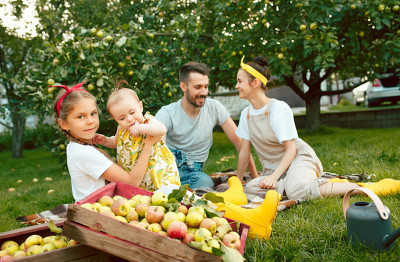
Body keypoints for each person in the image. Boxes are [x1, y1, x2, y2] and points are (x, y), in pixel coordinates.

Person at [234, 55, 365, 201]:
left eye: (240, 81)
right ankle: (294, 184)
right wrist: (238, 185)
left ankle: (360, 189)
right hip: (276, 170)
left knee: (296, 192)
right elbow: (244, 152)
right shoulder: (246, 114)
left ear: (255, 83)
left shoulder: (277, 109)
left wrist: (273, 177)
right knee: (251, 187)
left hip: (298, 159)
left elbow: (291, 149)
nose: (236, 86)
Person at [155, 61, 258, 189]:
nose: (204, 92)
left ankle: (174, 189)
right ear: (183, 87)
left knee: (205, 183)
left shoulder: (214, 107)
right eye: (198, 87)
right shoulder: (167, 113)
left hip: (194, 174)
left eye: (206, 86)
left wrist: (255, 178)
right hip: (168, 169)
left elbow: (240, 143)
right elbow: (156, 149)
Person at [52, 82, 162, 202]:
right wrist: (149, 144)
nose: (90, 121)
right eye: (80, 117)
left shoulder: (75, 146)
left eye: (93, 114)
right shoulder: (84, 153)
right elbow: (132, 182)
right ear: (64, 124)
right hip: (96, 211)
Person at [94, 84, 181, 191]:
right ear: (115, 119)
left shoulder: (148, 121)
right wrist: (106, 140)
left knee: (164, 197)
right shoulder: (121, 129)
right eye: (122, 118)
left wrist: (140, 128)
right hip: (136, 176)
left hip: (159, 176)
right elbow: (115, 142)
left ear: (140, 106)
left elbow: (162, 129)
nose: (129, 119)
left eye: (132, 112)